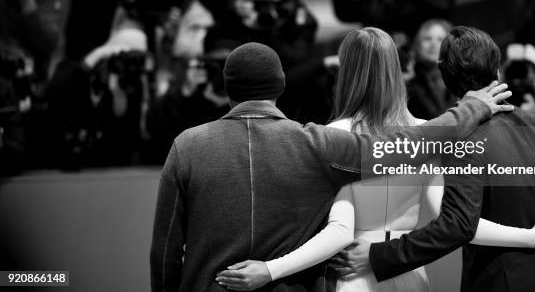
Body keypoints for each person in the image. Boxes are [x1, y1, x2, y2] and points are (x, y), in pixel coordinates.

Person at [150, 41, 513, 292]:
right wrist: (472, 108)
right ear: (280, 87)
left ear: (228, 89)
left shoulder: (187, 146)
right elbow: (409, 147)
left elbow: (165, 252)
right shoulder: (315, 143)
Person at [217, 28, 535, 292]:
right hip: (409, 278)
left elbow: (339, 232)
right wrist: (529, 237)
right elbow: (457, 222)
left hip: (354, 280)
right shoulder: (428, 133)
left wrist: (270, 269)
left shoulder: (333, 136)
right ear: (396, 71)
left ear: (346, 72)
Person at [333, 27, 535, 292]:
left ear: (444, 77)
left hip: (498, 282)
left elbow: (457, 224)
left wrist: (378, 256)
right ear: (496, 68)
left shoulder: (458, 139)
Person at [407, 19, 456, 119]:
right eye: (428, 39)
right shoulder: (407, 81)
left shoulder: (461, 76)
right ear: (418, 44)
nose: (433, 44)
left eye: (440, 39)